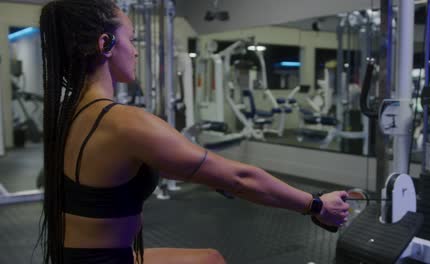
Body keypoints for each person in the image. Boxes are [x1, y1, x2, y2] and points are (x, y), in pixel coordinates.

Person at [37, 1, 350, 263]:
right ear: (105, 44)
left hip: (80, 257)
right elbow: (242, 179)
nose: (135, 51)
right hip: (110, 260)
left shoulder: (67, 114)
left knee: (207, 259)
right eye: (132, 40)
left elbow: (105, 184)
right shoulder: (124, 123)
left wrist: (201, 172)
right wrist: (318, 205)